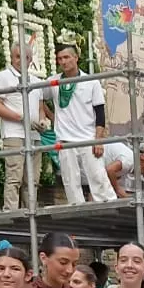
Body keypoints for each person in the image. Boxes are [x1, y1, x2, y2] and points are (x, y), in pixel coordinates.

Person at [42, 43, 116, 204]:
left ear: (76, 58)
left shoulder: (90, 81)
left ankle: (109, 206)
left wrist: (98, 140)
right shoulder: (53, 81)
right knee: (70, 180)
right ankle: (77, 211)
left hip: (88, 138)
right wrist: (50, 116)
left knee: (97, 176)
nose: (63, 62)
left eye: (67, 57)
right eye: (60, 58)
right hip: (64, 139)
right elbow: (38, 97)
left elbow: (100, 114)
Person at [0, 43, 40, 212]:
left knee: (32, 180)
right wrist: (21, 117)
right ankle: (11, 213)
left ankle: (31, 211)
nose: (21, 61)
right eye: (18, 57)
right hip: (13, 134)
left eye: (25, 58)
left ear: (31, 60)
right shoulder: (3, 76)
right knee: (14, 177)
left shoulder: (36, 81)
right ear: (12, 57)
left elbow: (40, 110)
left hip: (34, 135)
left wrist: (43, 122)